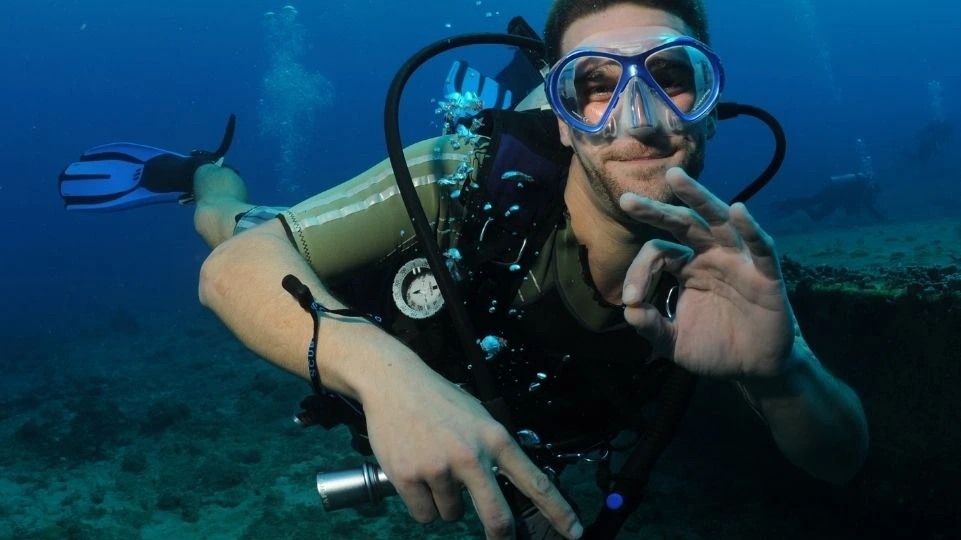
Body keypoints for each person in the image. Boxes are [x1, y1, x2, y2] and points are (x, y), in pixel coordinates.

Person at [59, 1, 869, 538]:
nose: (640, 117)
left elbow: (838, 460)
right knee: (235, 223)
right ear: (557, 120)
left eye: (673, 78)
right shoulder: (461, 172)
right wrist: (386, 378)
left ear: (712, 108)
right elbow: (233, 269)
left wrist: (782, 375)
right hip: (374, 299)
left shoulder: (725, 268)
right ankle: (200, 170)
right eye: (591, 86)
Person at [771, 172, 887, 223]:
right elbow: (864, 206)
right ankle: (788, 203)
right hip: (833, 193)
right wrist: (881, 218)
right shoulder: (861, 188)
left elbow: (860, 206)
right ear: (872, 189)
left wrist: (880, 218)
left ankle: (793, 204)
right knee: (813, 204)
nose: (874, 196)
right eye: (874, 193)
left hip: (834, 195)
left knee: (815, 212)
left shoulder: (861, 188)